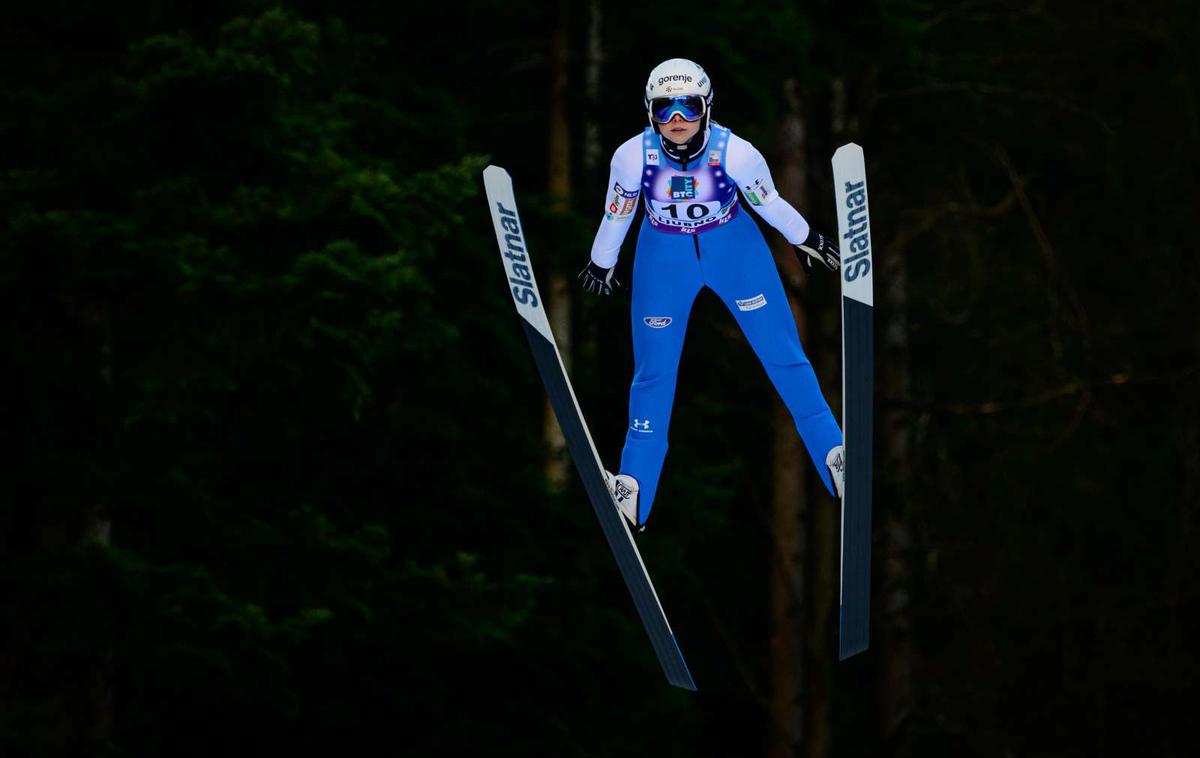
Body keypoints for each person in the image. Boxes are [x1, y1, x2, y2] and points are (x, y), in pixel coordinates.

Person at [579, 58, 846, 531]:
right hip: (663, 256)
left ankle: (833, 453)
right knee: (653, 373)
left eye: (688, 107)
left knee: (782, 352)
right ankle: (634, 487)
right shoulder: (631, 156)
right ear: (649, 112)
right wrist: (603, 261)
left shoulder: (735, 153)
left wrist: (807, 237)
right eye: (664, 109)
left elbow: (770, 204)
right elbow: (617, 213)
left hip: (733, 248)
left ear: (707, 108)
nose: (677, 119)